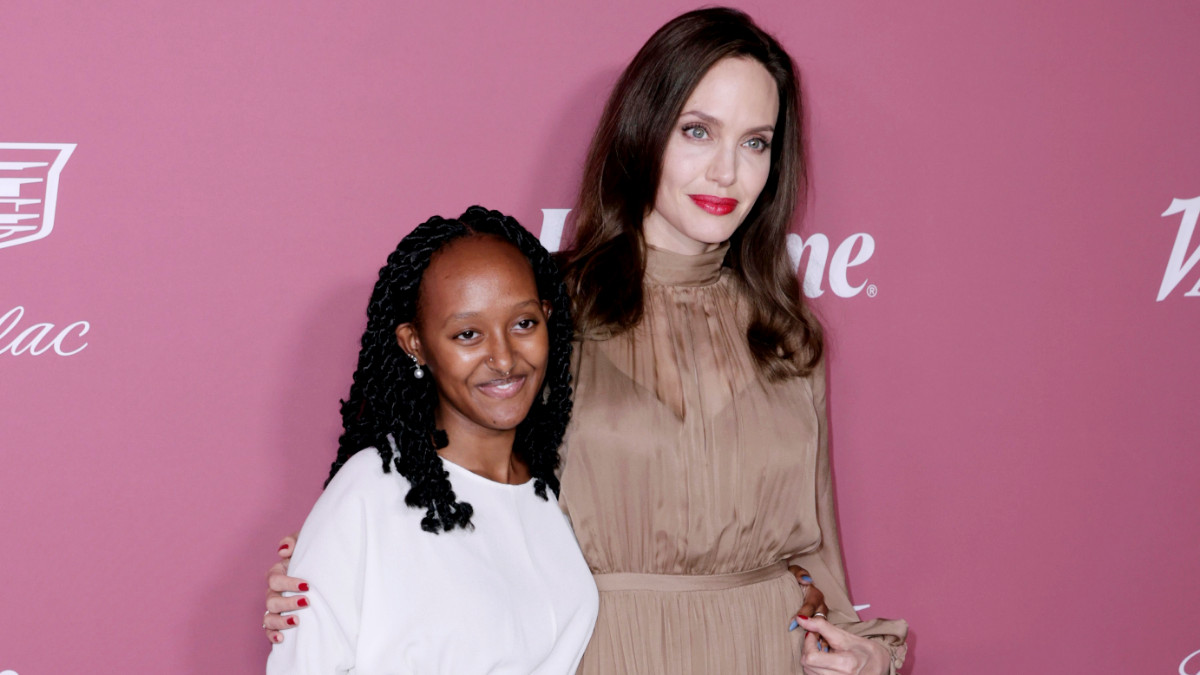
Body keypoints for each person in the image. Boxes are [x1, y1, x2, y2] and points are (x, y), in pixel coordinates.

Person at [266, 8, 908, 674]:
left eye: (756, 143)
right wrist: (321, 587)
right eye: (697, 131)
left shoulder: (789, 331)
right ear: (644, 130)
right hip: (605, 655)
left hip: (769, 656)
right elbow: (446, 498)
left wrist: (867, 657)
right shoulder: (547, 314)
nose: (726, 172)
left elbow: (821, 557)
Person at [265, 206, 598, 674]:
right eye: (468, 334)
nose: (504, 358)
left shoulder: (556, 493)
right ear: (414, 343)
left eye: (523, 324)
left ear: (548, 318)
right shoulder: (370, 491)